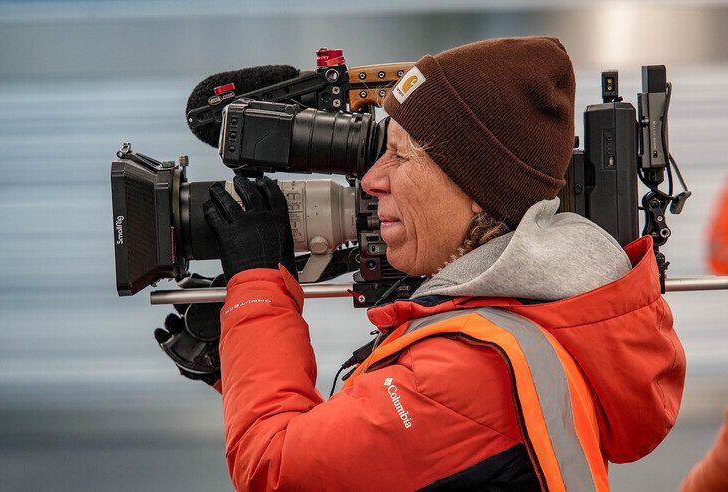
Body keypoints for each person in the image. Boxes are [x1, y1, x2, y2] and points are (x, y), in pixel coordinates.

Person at [157, 37, 686, 490]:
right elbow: (367, 458)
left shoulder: (469, 371)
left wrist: (257, 284)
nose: (370, 180)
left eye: (400, 155)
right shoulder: (518, 324)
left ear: (475, 189)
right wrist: (244, 370)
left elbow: (276, 470)